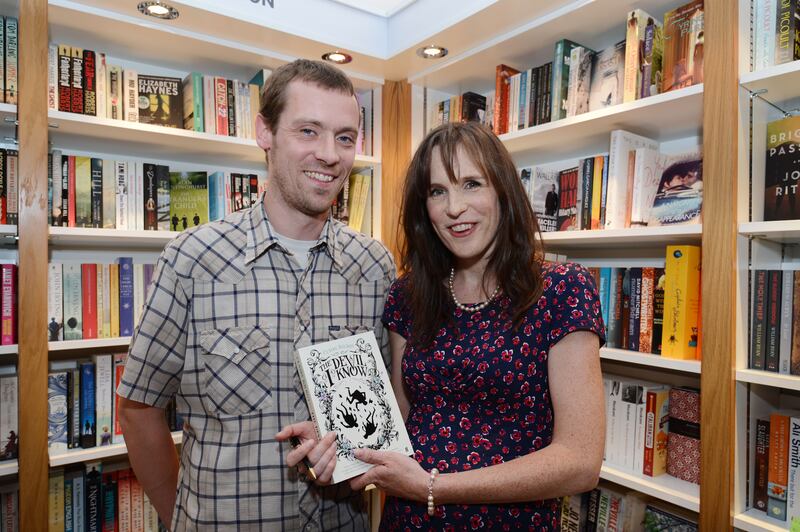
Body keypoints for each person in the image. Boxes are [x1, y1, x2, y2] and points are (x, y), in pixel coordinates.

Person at [117, 59, 395, 530]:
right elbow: (139, 409)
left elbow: (385, 422)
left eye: (345, 137)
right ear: (265, 132)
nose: (330, 154)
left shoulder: (376, 268)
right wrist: (179, 517)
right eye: (309, 131)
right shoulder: (192, 260)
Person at [348, 122, 605, 530]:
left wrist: (434, 487)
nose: (454, 207)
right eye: (437, 191)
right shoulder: (408, 296)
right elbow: (396, 418)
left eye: (471, 184)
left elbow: (580, 463)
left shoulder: (560, 290)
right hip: (408, 520)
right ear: (424, 208)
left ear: (503, 191)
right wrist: (333, 438)